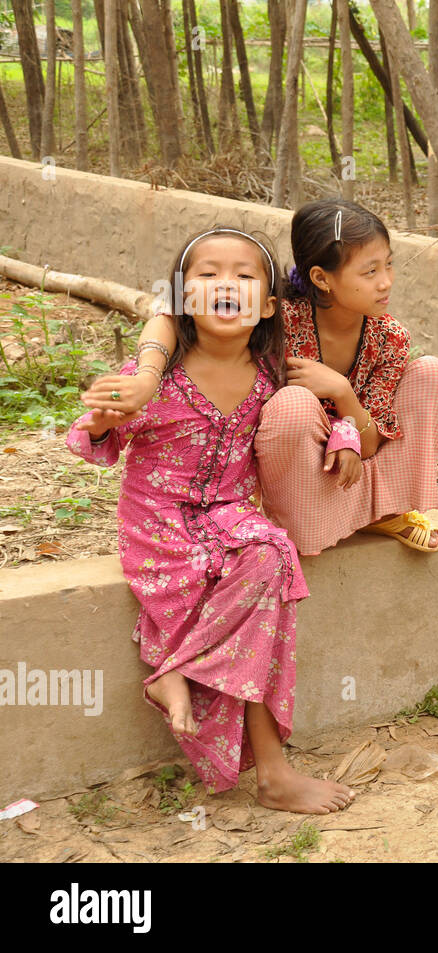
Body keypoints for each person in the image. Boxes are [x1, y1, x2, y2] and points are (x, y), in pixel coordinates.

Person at [68, 228, 354, 814]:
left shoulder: (275, 375)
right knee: (249, 572)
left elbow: (332, 418)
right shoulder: (160, 374)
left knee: (272, 553)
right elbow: (97, 436)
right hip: (159, 527)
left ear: (270, 305)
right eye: (208, 274)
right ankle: (271, 769)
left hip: (228, 517)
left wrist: (346, 435)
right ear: (181, 299)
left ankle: (177, 673)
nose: (227, 284)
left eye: (245, 276)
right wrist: (102, 416)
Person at [89, 199, 438, 556]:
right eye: (370, 271)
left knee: (434, 373)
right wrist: (148, 377)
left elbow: (372, 444)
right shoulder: (278, 318)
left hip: (355, 456)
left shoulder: (389, 337)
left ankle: (386, 510)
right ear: (321, 278)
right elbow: (172, 314)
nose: (386, 282)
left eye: (388, 266)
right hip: (304, 474)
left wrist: (342, 393)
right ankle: (304, 525)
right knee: (293, 404)